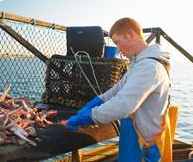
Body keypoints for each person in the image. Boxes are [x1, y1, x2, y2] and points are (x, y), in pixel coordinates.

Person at [65, 17, 172, 162]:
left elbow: (123, 105)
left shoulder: (149, 67)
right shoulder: (139, 63)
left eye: (118, 43)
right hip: (135, 138)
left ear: (131, 35)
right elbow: (117, 90)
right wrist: (96, 101)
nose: (119, 50)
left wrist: (89, 116)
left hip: (145, 146)